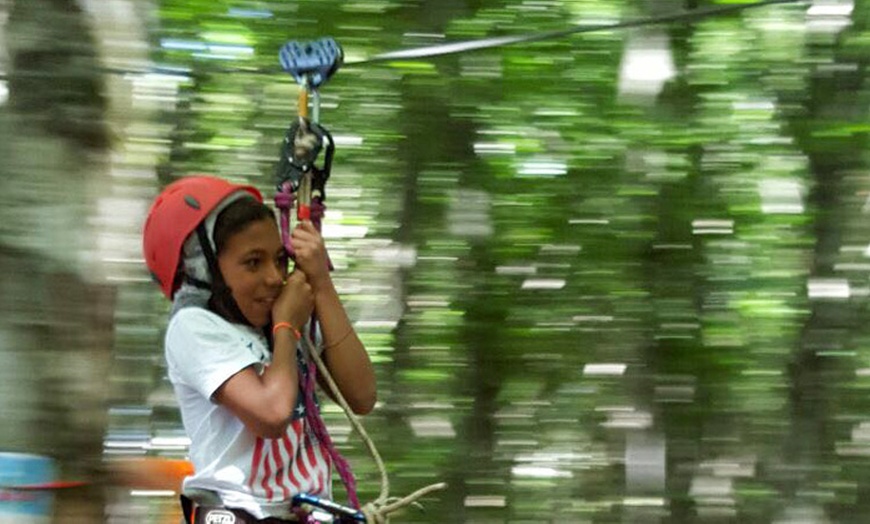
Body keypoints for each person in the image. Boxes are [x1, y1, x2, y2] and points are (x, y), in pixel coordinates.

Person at [142, 175, 376, 522]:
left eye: (280, 260)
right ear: (203, 268)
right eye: (254, 262)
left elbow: (361, 395)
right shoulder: (193, 327)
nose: (274, 277)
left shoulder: (280, 315)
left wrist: (321, 283)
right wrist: (286, 327)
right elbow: (271, 415)